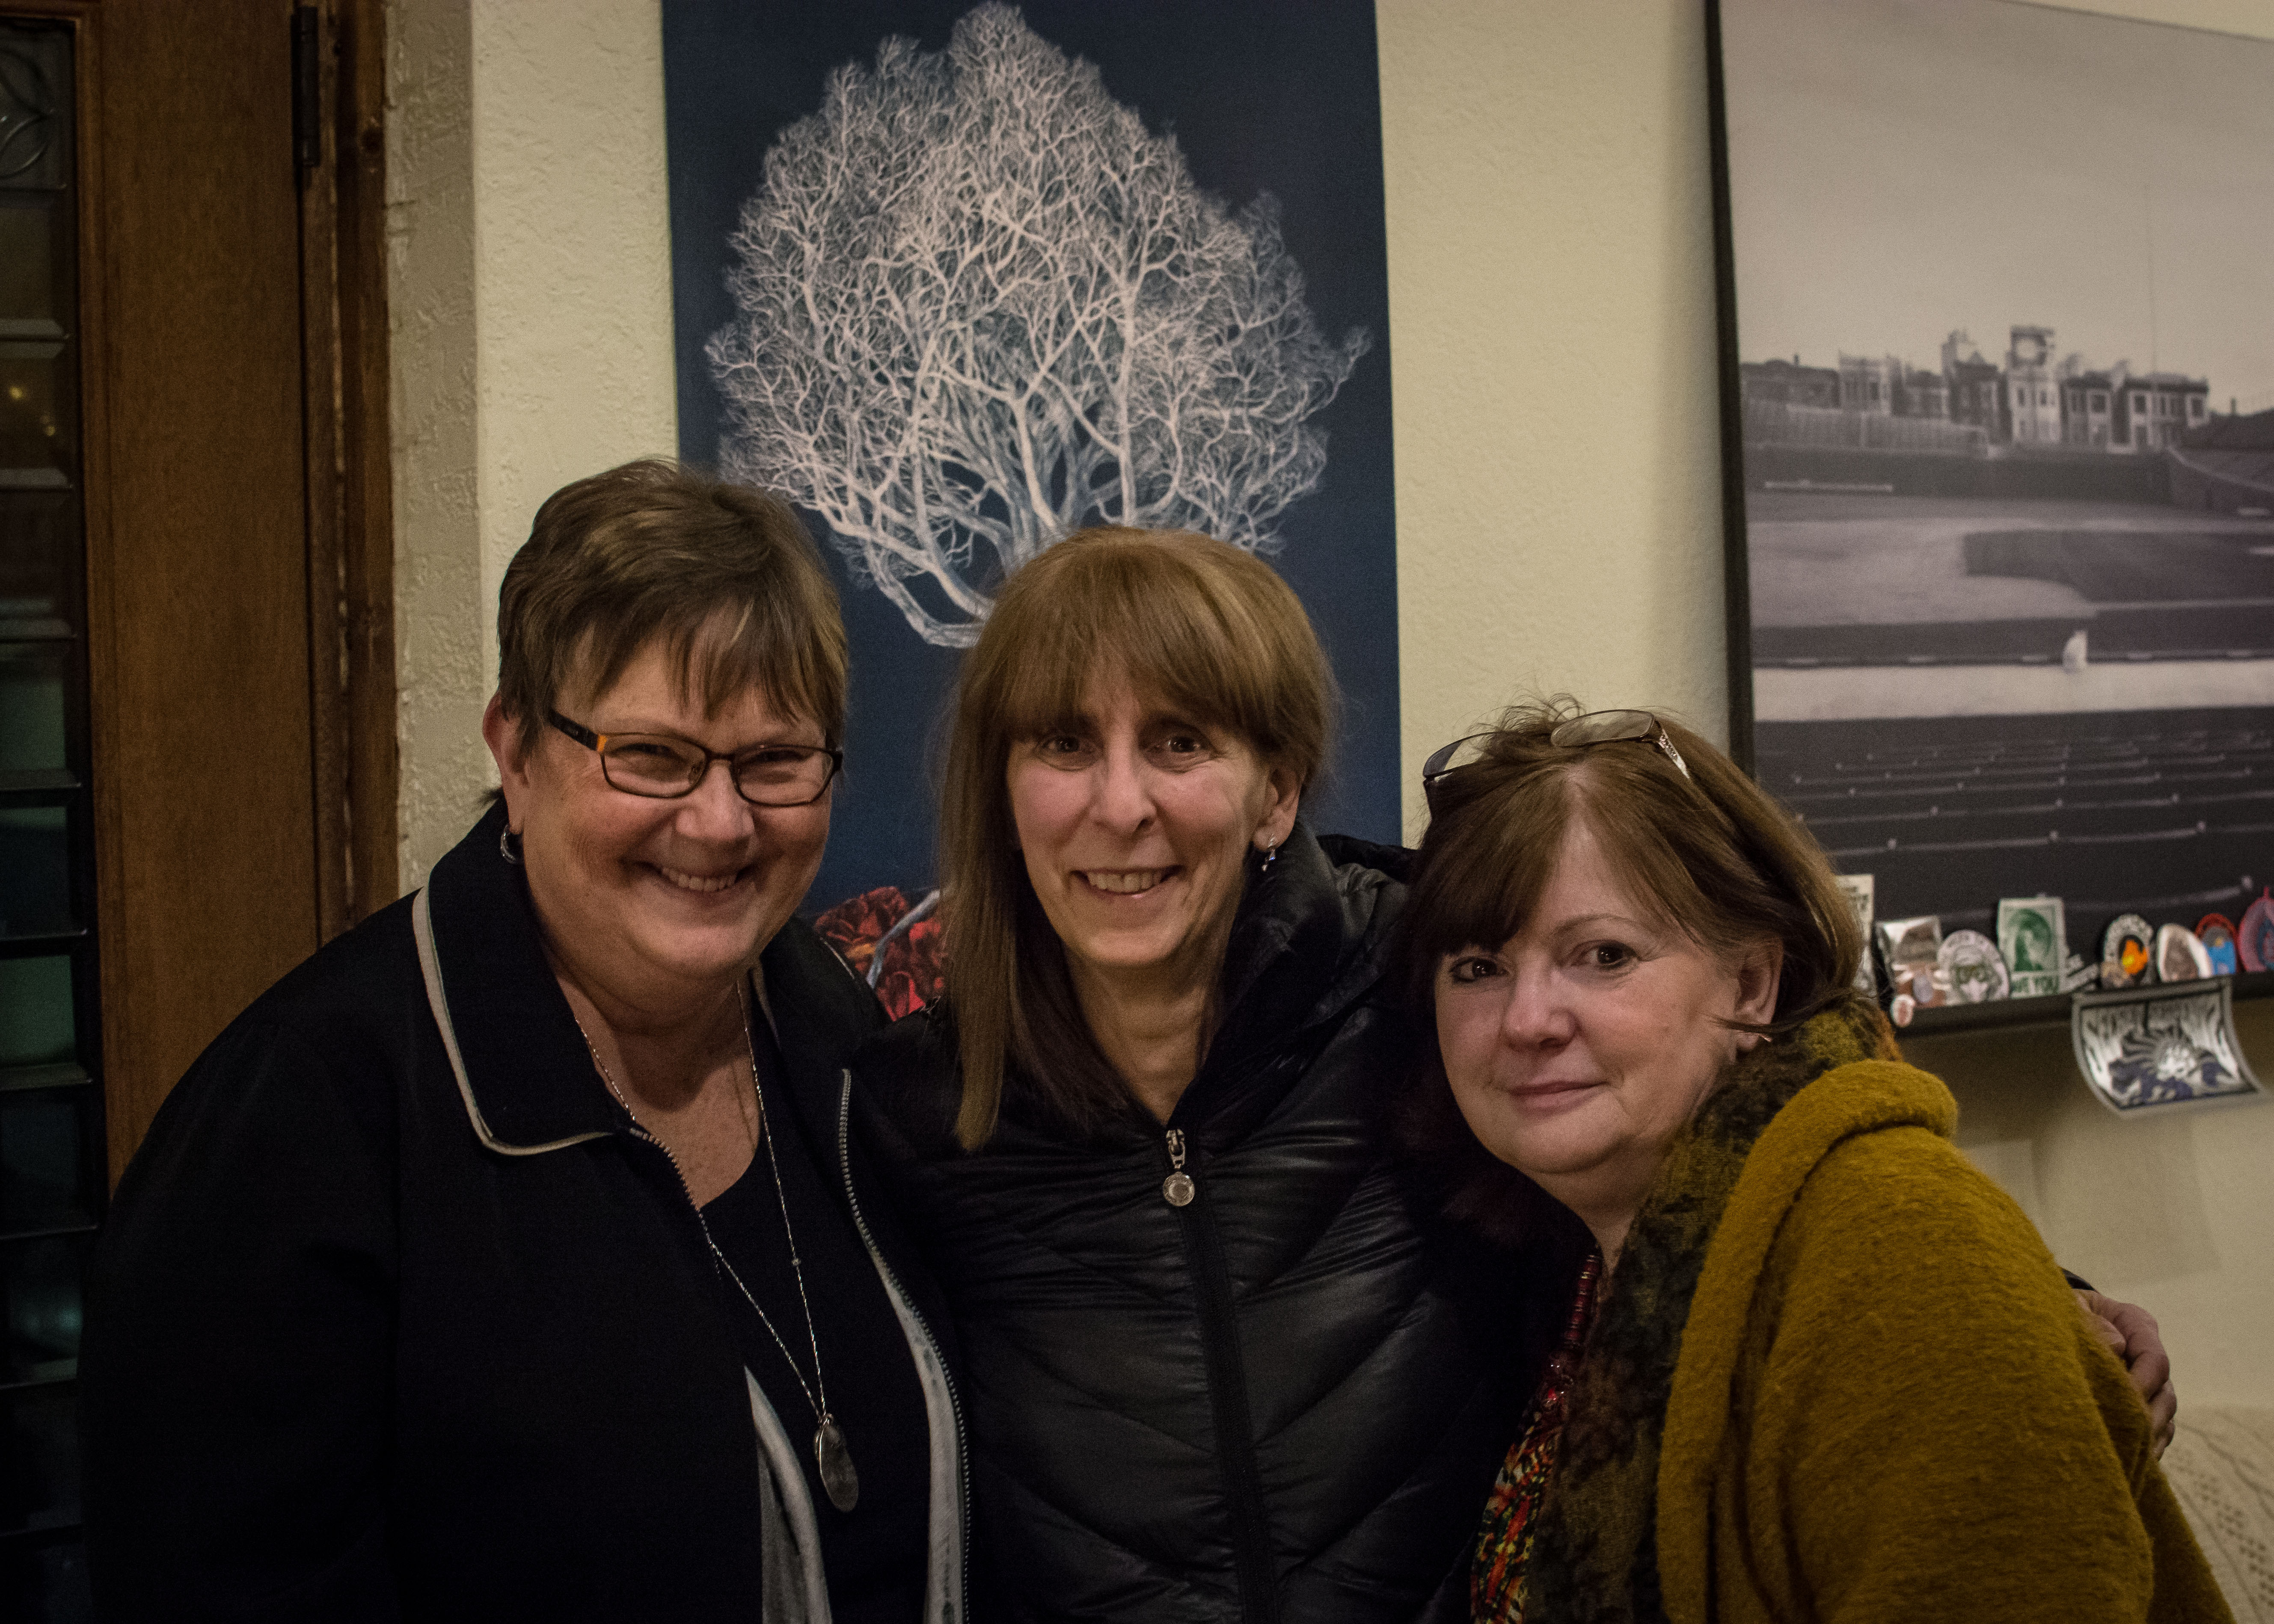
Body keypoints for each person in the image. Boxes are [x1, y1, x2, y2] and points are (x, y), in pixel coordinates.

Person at [80, 461, 965, 1622]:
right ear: (516, 750)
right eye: (651, 755)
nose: (719, 820)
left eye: (774, 761)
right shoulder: (302, 1124)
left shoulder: (836, 1040)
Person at [852, 526, 1554, 1621]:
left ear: (1275, 791)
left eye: (1179, 742)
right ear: (1002, 790)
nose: (1119, 804)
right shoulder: (908, 1117)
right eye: (1064, 743)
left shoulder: (1435, 999)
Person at [1404, 702, 2225, 1622]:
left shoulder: (1904, 1249)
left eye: (1603, 955)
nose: (1526, 1020)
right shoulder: (1577, 1253)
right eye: (1477, 968)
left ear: (1752, 983)